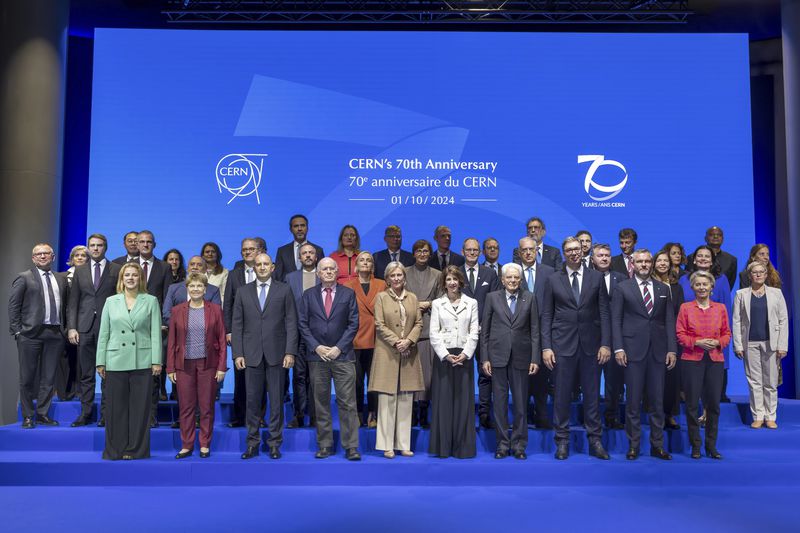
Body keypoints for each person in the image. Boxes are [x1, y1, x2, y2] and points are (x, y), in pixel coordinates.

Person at [542, 237, 611, 460]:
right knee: (561, 396)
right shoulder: (553, 279)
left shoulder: (596, 277)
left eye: (577, 249)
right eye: (569, 250)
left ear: (583, 251)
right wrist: (546, 348)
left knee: (592, 395)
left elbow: (604, 313)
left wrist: (606, 343)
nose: (573, 253)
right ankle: (561, 441)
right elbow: (546, 316)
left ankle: (595, 440)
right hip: (562, 346)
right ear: (563, 253)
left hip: (591, 346)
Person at [610, 249, 676, 460]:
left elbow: (668, 321)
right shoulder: (622, 288)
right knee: (633, 402)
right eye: (640, 262)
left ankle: (657, 446)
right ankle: (633, 445)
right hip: (632, 352)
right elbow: (615, 320)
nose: (645, 265)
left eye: (648, 261)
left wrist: (672, 349)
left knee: (657, 402)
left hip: (657, 352)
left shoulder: (663, 288)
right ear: (634, 265)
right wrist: (618, 348)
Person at [231, 253, 298, 460]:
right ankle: (252, 444)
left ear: (273, 267)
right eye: (258, 264)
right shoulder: (242, 292)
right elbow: (237, 325)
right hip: (251, 355)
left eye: (265, 264)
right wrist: (238, 353)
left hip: (277, 354)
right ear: (254, 267)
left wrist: (290, 351)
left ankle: (275, 444)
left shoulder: (284, 289)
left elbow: (291, 322)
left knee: (276, 402)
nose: (261, 267)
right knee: (252, 402)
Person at [96, 262, 162, 460]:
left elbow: (155, 334)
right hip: (115, 359)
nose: (131, 278)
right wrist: (101, 361)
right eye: (127, 275)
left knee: (140, 409)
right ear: (121, 279)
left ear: (140, 278)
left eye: (135, 275)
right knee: (116, 409)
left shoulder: (150, 301)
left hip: (142, 360)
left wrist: (156, 361)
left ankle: (136, 450)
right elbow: (104, 333)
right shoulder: (111, 301)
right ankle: (115, 450)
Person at [298, 258, 361, 460]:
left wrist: (338, 348)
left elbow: (353, 323)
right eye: (324, 269)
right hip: (317, 357)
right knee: (321, 403)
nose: (327, 272)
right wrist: (316, 347)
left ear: (337, 272)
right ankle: (325, 445)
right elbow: (303, 325)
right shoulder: (308, 296)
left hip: (342, 356)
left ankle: (351, 447)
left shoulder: (348, 294)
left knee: (348, 403)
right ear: (318, 273)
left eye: (331, 269)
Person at [480, 263, 540, 460]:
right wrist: (485, 358)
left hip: (522, 358)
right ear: (503, 280)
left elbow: (535, 332)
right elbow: (485, 332)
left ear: (520, 280)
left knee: (521, 404)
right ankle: (502, 444)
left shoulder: (529, 298)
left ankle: (520, 445)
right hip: (497, 357)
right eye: (509, 278)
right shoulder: (492, 298)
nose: (513, 281)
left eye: (516, 278)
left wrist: (534, 358)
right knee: (500, 403)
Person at [166, 273, 227, 459]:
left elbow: (222, 340)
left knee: (207, 406)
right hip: (184, 365)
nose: (195, 289)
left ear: (205, 289)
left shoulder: (215, 309)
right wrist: (170, 368)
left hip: (208, 364)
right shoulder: (177, 311)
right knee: (186, 407)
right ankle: (186, 444)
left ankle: (205, 445)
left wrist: (221, 367)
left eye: (199, 286)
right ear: (187, 288)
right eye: (192, 286)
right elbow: (172, 342)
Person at [8, 243, 68, 429]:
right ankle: (27, 416)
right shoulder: (24, 278)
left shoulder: (61, 279)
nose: (43, 256)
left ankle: (42, 414)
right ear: (33, 258)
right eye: (38, 254)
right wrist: (17, 330)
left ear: (53, 257)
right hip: (30, 334)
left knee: (49, 377)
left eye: (46, 253)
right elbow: (13, 306)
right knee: (27, 377)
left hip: (55, 333)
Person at [369, 262, 424, 458]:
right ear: (387, 278)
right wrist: (397, 342)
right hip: (388, 354)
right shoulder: (381, 297)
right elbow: (379, 324)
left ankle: (403, 444)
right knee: (387, 400)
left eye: (400, 274)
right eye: (393, 275)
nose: (397, 278)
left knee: (406, 400)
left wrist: (408, 341)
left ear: (404, 276)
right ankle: (386, 445)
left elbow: (418, 322)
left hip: (408, 353)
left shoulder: (413, 298)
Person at [66, 234, 121, 427]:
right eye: (92, 245)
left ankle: (106, 415)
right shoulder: (79, 271)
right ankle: (86, 413)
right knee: (86, 373)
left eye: (99, 245)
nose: (96, 248)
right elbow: (73, 302)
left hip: (110, 327)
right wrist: (72, 327)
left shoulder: (117, 269)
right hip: (84, 327)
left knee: (108, 373)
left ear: (105, 247)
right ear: (88, 248)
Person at [676, 271, 731, 459]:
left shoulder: (721, 308)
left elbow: (727, 334)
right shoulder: (685, 308)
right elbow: (680, 334)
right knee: (692, 405)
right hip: (692, 360)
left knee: (714, 405)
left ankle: (711, 446)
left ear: (711, 287)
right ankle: (696, 445)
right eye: (698, 284)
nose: (701, 288)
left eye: (705, 284)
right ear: (692, 287)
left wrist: (718, 343)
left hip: (715, 360)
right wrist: (697, 342)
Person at [162, 256, 222, 420]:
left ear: (205, 268)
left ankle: (198, 420)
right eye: (192, 264)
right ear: (187, 267)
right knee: (182, 393)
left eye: (199, 264)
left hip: (205, 348)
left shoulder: (212, 290)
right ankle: (183, 420)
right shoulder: (174, 288)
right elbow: (167, 313)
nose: (195, 267)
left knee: (204, 398)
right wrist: (181, 324)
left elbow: (217, 318)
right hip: (179, 343)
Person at [429, 266, 479, 458]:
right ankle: (443, 447)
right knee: (444, 401)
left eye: (455, 279)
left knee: (463, 402)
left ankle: (462, 448)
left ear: (460, 282)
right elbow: (434, 333)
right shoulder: (437, 304)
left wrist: (466, 354)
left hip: (464, 357)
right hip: (444, 357)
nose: (452, 283)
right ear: (444, 282)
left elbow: (474, 331)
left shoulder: (472, 302)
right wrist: (445, 355)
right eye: (448, 279)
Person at [733, 261, 788, 429]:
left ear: (766, 274)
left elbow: (783, 319)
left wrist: (782, 345)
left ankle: (770, 416)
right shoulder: (741, 294)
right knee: (754, 381)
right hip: (749, 343)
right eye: (754, 272)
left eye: (761, 272)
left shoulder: (776, 293)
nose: (758, 274)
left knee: (770, 381)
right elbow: (736, 321)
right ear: (750, 275)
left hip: (771, 343)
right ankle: (758, 415)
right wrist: (738, 345)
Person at [679, 245, 733, 404]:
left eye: (707, 256)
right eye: (700, 256)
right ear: (694, 259)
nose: (703, 259)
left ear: (712, 261)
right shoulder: (684, 279)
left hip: (715, 340)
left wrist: (721, 339)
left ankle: (713, 405)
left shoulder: (721, 280)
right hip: (691, 341)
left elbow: (726, 310)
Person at [460, 237, 501, 429]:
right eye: (469, 250)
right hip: (461, 333)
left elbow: (494, 302)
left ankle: (484, 414)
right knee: (461, 374)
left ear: (480, 253)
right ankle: (463, 414)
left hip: (486, 333)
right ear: (462, 252)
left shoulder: (489, 274)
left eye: (475, 250)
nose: (472, 253)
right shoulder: (455, 273)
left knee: (486, 373)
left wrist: (484, 324)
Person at [223, 238, 263, 428]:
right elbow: (228, 304)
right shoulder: (234, 275)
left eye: (251, 249)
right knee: (240, 377)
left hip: (263, 333)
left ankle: (260, 417)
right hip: (240, 333)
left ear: (259, 250)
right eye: (244, 250)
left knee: (261, 376)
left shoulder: (267, 271)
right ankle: (240, 417)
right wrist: (229, 330)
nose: (248, 252)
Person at [516, 236, 554, 429]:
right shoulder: (512, 272)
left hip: (543, 333)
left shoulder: (549, 272)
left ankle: (541, 414)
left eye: (532, 249)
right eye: (525, 250)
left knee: (541, 379)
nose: (529, 253)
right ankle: (521, 418)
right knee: (521, 379)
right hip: (519, 335)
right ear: (519, 252)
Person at [344, 251, 386, 428]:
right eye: (362, 260)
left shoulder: (382, 284)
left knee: (375, 380)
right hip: (355, 339)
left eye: (369, 260)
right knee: (357, 381)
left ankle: (373, 415)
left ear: (373, 266)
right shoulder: (347, 285)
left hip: (377, 339)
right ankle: (358, 413)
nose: (365, 262)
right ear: (356, 265)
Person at [405, 239, 441, 427]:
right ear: (413, 254)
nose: (422, 254)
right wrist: (414, 305)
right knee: (410, 375)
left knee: (427, 376)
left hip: (429, 328)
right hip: (408, 329)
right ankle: (410, 413)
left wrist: (428, 304)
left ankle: (424, 411)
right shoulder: (404, 272)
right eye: (418, 251)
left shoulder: (438, 274)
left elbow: (443, 300)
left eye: (425, 251)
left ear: (430, 253)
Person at [136, 230, 172, 414]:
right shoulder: (128, 266)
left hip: (156, 324)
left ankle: (151, 415)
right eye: (141, 241)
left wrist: (164, 321)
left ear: (154, 244)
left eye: (149, 242)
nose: (145, 244)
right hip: (132, 324)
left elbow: (167, 296)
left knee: (155, 370)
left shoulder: (164, 267)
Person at [285, 243, 320, 428]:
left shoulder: (323, 275)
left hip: (318, 337)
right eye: (304, 253)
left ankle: (314, 416)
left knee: (315, 378)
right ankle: (298, 415)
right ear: (299, 257)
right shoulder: (290, 278)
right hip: (297, 335)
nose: (307, 255)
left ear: (316, 257)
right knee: (298, 376)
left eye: (311, 253)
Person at [592, 243, 627, 429]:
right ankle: (592, 418)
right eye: (600, 255)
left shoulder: (621, 279)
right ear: (592, 259)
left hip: (615, 337)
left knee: (614, 382)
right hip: (592, 337)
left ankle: (612, 416)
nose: (604, 258)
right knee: (592, 382)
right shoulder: (587, 278)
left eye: (607, 255)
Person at [652, 249, 686, 430]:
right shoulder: (647, 284)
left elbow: (679, 312)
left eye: (666, 261)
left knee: (672, 377)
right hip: (652, 335)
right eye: (659, 261)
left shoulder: (676, 287)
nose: (663, 264)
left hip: (672, 337)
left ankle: (670, 414)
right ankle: (654, 412)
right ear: (654, 264)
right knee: (655, 377)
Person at [57, 245, 88, 401]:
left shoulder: (92, 277)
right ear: (72, 259)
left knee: (82, 358)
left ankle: (81, 391)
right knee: (65, 357)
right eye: (77, 255)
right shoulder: (62, 277)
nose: (80, 258)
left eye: (83, 255)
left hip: (84, 321)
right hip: (64, 322)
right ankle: (65, 392)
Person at [274, 214, 324, 282]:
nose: (299, 229)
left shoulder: (318, 250)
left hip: (311, 289)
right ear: (291, 229)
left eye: (302, 225)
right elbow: (278, 276)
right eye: (296, 226)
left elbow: (322, 274)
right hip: (287, 290)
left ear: (307, 228)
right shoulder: (282, 251)